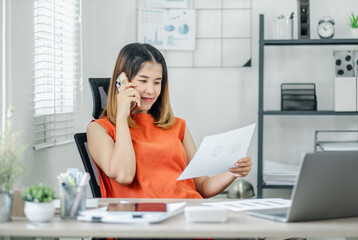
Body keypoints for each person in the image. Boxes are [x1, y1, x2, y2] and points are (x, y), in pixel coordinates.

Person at [87, 43, 253, 198]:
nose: (150, 90)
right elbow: (124, 175)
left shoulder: (177, 126)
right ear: (122, 82)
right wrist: (122, 117)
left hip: (188, 215)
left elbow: (203, 186)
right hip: (147, 222)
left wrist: (233, 172)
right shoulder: (100, 129)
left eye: (157, 82)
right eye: (143, 80)